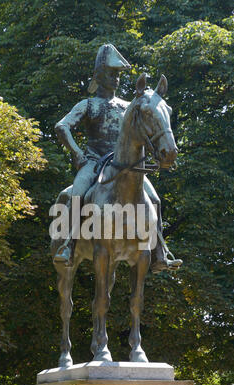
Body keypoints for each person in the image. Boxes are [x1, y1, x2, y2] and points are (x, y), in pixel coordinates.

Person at [54, 44, 182, 273]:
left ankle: (159, 252)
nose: (116, 79)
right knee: (75, 193)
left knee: (154, 199)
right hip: (94, 163)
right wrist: (77, 154)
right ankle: (68, 245)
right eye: (112, 74)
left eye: (119, 75)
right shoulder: (89, 104)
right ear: (100, 75)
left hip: (124, 164)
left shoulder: (129, 106)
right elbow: (62, 126)